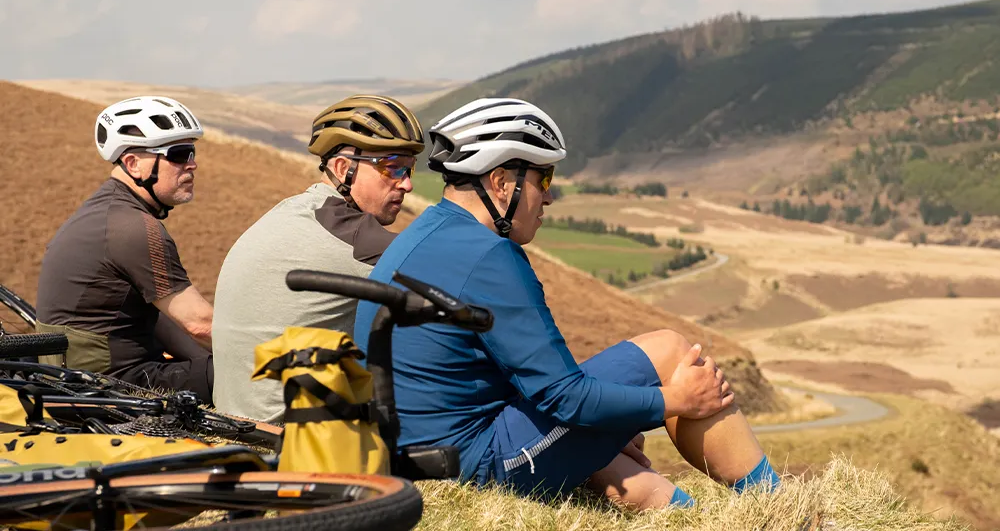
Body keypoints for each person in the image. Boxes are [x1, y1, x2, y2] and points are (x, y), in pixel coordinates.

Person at [354, 98, 780, 509]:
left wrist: (614, 419)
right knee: (670, 351)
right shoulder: (489, 255)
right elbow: (566, 398)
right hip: (474, 462)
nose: (549, 197)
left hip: (420, 457)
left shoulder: (426, 232)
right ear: (502, 183)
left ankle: (689, 516)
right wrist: (677, 400)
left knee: (620, 462)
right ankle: (782, 506)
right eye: (544, 179)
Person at [210, 95, 425, 423]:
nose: (407, 184)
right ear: (342, 168)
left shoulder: (292, 212)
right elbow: (451, 275)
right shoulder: (351, 234)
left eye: (409, 169)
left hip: (238, 417)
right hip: (291, 436)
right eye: (392, 166)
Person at [36, 96, 215, 402]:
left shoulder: (105, 210)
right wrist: (273, 355)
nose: (192, 163)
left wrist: (205, 363)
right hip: (114, 387)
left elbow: (155, 319)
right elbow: (201, 324)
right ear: (134, 164)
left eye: (192, 151)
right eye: (179, 154)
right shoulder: (134, 227)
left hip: (77, 380)